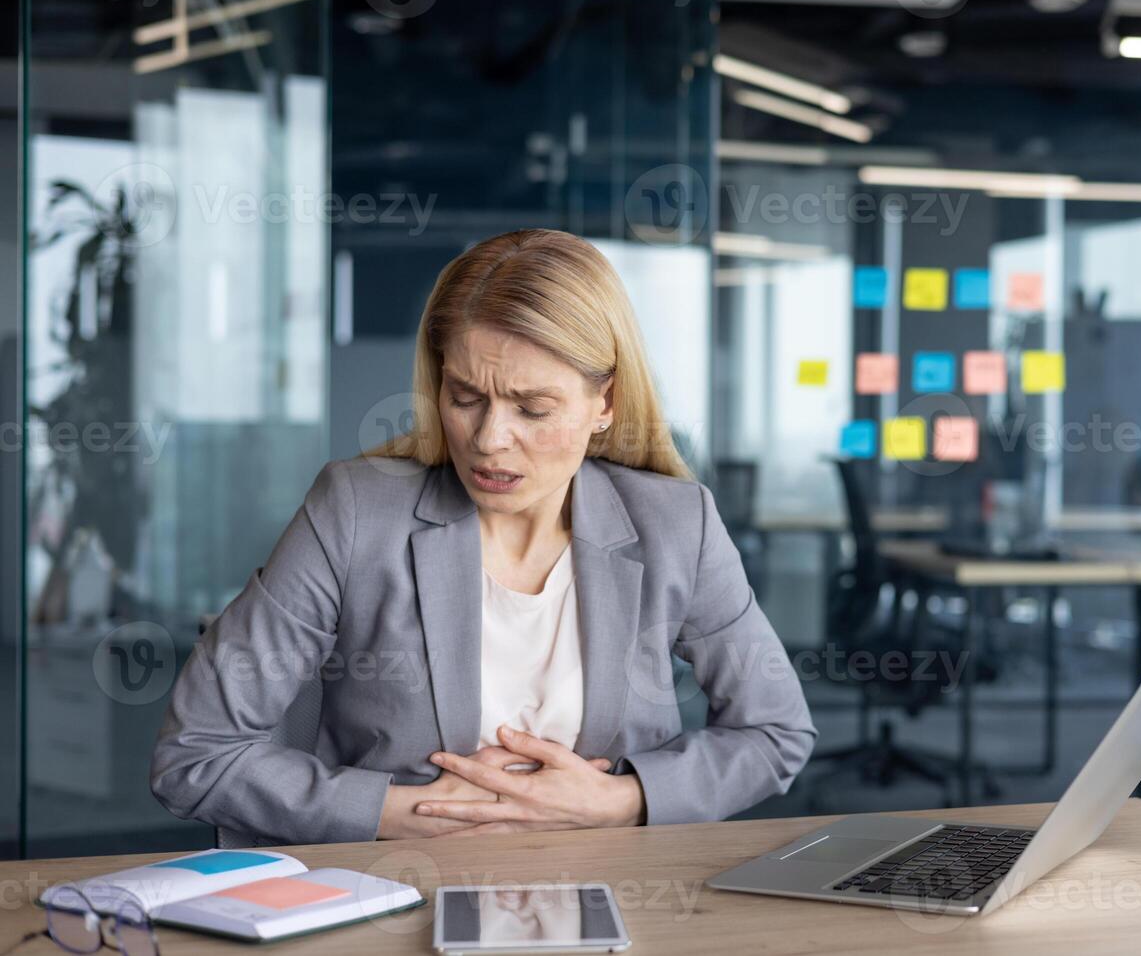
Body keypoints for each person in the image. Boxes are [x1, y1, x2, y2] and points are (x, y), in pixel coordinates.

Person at [150, 228, 817, 844]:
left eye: (533, 408)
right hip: (400, 891)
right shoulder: (354, 511)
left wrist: (615, 801)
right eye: (466, 396)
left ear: (605, 403)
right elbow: (196, 754)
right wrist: (409, 813)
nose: (491, 439)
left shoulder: (677, 525)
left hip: (619, 896)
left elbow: (774, 733)